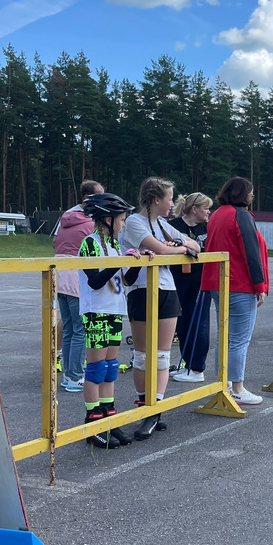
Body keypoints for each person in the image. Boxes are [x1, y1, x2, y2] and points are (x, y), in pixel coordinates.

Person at [120, 177, 199, 440]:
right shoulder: (134, 222)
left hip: (167, 291)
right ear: (156, 199)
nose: (172, 204)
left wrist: (178, 246)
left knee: (162, 355)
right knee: (143, 356)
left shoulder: (163, 224)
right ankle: (146, 407)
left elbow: (196, 245)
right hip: (141, 291)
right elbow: (161, 250)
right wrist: (179, 249)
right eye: (169, 198)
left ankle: (156, 411)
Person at [78, 193, 144, 449]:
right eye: (122, 219)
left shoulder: (116, 245)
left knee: (110, 367)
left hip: (115, 310)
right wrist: (119, 262)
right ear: (107, 219)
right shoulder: (89, 244)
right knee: (95, 369)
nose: (124, 223)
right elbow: (95, 280)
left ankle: (108, 416)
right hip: (96, 312)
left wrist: (135, 261)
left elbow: (126, 280)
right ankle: (92, 421)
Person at [200, 176, 269, 406]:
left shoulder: (218, 214)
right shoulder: (241, 216)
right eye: (250, 192)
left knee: (225, 336)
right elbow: (251, 252)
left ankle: (224, 384)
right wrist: (260, 286)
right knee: (239, 339)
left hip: (218, 282)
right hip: (239, 283)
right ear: (243, 194)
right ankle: (237, 387)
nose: (252, 196)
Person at [54, 180, 102, 392]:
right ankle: (75, 376)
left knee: (69, 329)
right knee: (80, 330)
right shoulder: (90, 224)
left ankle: (68, 374)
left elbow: (55, 243)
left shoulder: (66, 218)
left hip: (60, 277)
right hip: (76, 279)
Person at [170, 192, 212, 383]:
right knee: (182, 323)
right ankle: (186, 363)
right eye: (205, 208)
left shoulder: (208, 228)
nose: (208, 212)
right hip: (177, 281)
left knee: (199, 323)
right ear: (194, 209)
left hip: (201, 282)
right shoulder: (173, 226)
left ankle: (197, 367)